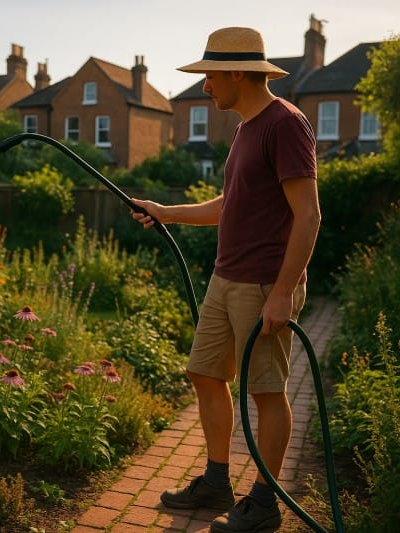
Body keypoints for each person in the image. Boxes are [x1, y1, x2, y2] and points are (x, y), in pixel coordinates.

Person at [131, 27, 320, 532]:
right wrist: (164, 212)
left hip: (263, 283)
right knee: (205, 374)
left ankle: (265, 504)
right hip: (226, 276)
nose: (205, 87)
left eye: (210, 76)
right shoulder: (244, 130)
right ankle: (217, 481)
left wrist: (282, 292)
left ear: (238, 72)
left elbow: (308, 215)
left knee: (265, 392)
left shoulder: (286, 124)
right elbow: (228, 206)